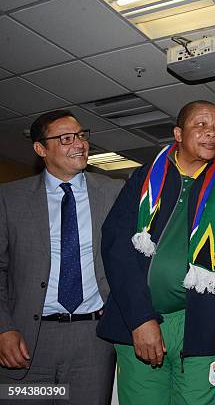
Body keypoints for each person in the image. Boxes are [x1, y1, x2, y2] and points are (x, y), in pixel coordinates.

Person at [96, 100, 215, 405]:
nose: (212, 132)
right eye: (201, 125)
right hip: (143, 321)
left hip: (200, 325)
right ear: (177, 133)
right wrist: (140, 319)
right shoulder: (144, 181)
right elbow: (117, 249)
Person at [0, 110, 123, 404]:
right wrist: (4, 329)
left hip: (92, 341)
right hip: (28, 341)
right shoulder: (9, 198)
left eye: (82, 135)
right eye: (66, 138)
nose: (79, 143)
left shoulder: (114, 192)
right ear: (41, 149)